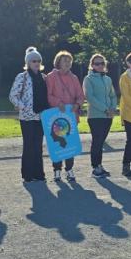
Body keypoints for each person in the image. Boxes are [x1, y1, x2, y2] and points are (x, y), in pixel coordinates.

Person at [9, 47, 49, 183]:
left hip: (41, 116)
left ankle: (38, 173)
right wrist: (22, 106)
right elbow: (13, 95)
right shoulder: (22, 77)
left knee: (38, 145)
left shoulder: (44, 77)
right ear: (27, 62)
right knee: (28, 145)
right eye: (33, 61)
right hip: (27, 117)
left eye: (38, 60)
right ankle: (27, 174)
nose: (36, 63)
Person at [45, 50, 85, 182]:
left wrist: (77, 104)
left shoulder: (74, 78)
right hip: (56, 115)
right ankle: (56, 170)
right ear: (58, 62)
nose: (68, 63)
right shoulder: (50, 77)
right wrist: (58, 103)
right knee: (57, 143)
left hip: (70, 116)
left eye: (69, 61)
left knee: (70, 143)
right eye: (65, 61)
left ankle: (69, 169)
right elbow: (48, 95)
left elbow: (80, 95)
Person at [83, 53, 117, 178]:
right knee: (97, 141)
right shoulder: (88, 79)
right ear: (92, 65)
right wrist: (105, 109)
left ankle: (99, 165)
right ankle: (95, 167)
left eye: (102, 63)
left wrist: (112, 108)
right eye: (97, 63)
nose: (100, 65)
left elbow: (112, 95)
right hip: (95, 116)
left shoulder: (108, 79)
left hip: (108, 116)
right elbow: (89, 97)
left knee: (101, 141)